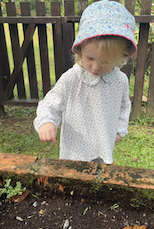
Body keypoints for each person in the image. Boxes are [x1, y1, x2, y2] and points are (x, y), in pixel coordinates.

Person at [33, 0, 137, 164]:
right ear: (80, 49)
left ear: (121, 57)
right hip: (75, 149)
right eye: (90, 58)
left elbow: (124, 106)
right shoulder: (72, 78)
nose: (95, 67)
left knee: (98, 181)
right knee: (73, 181)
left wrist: (120, 129)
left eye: (105, 62)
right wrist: (47, 121)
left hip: (103, 144)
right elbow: (51, 102)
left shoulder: (120, 81)